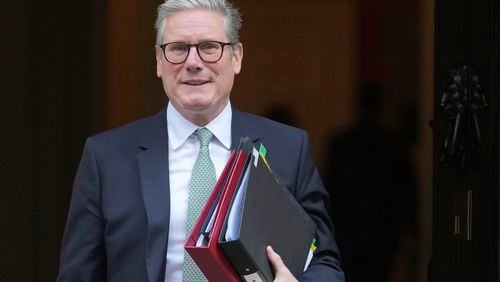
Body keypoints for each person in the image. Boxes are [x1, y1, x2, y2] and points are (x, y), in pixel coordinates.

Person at [57, 0, 344, 281]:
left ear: (237, 57)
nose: (193, 63)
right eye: (178, 48)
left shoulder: (288, 149)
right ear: (159, 61)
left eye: (209, 47)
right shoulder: (106, 157)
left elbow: (324, 263)